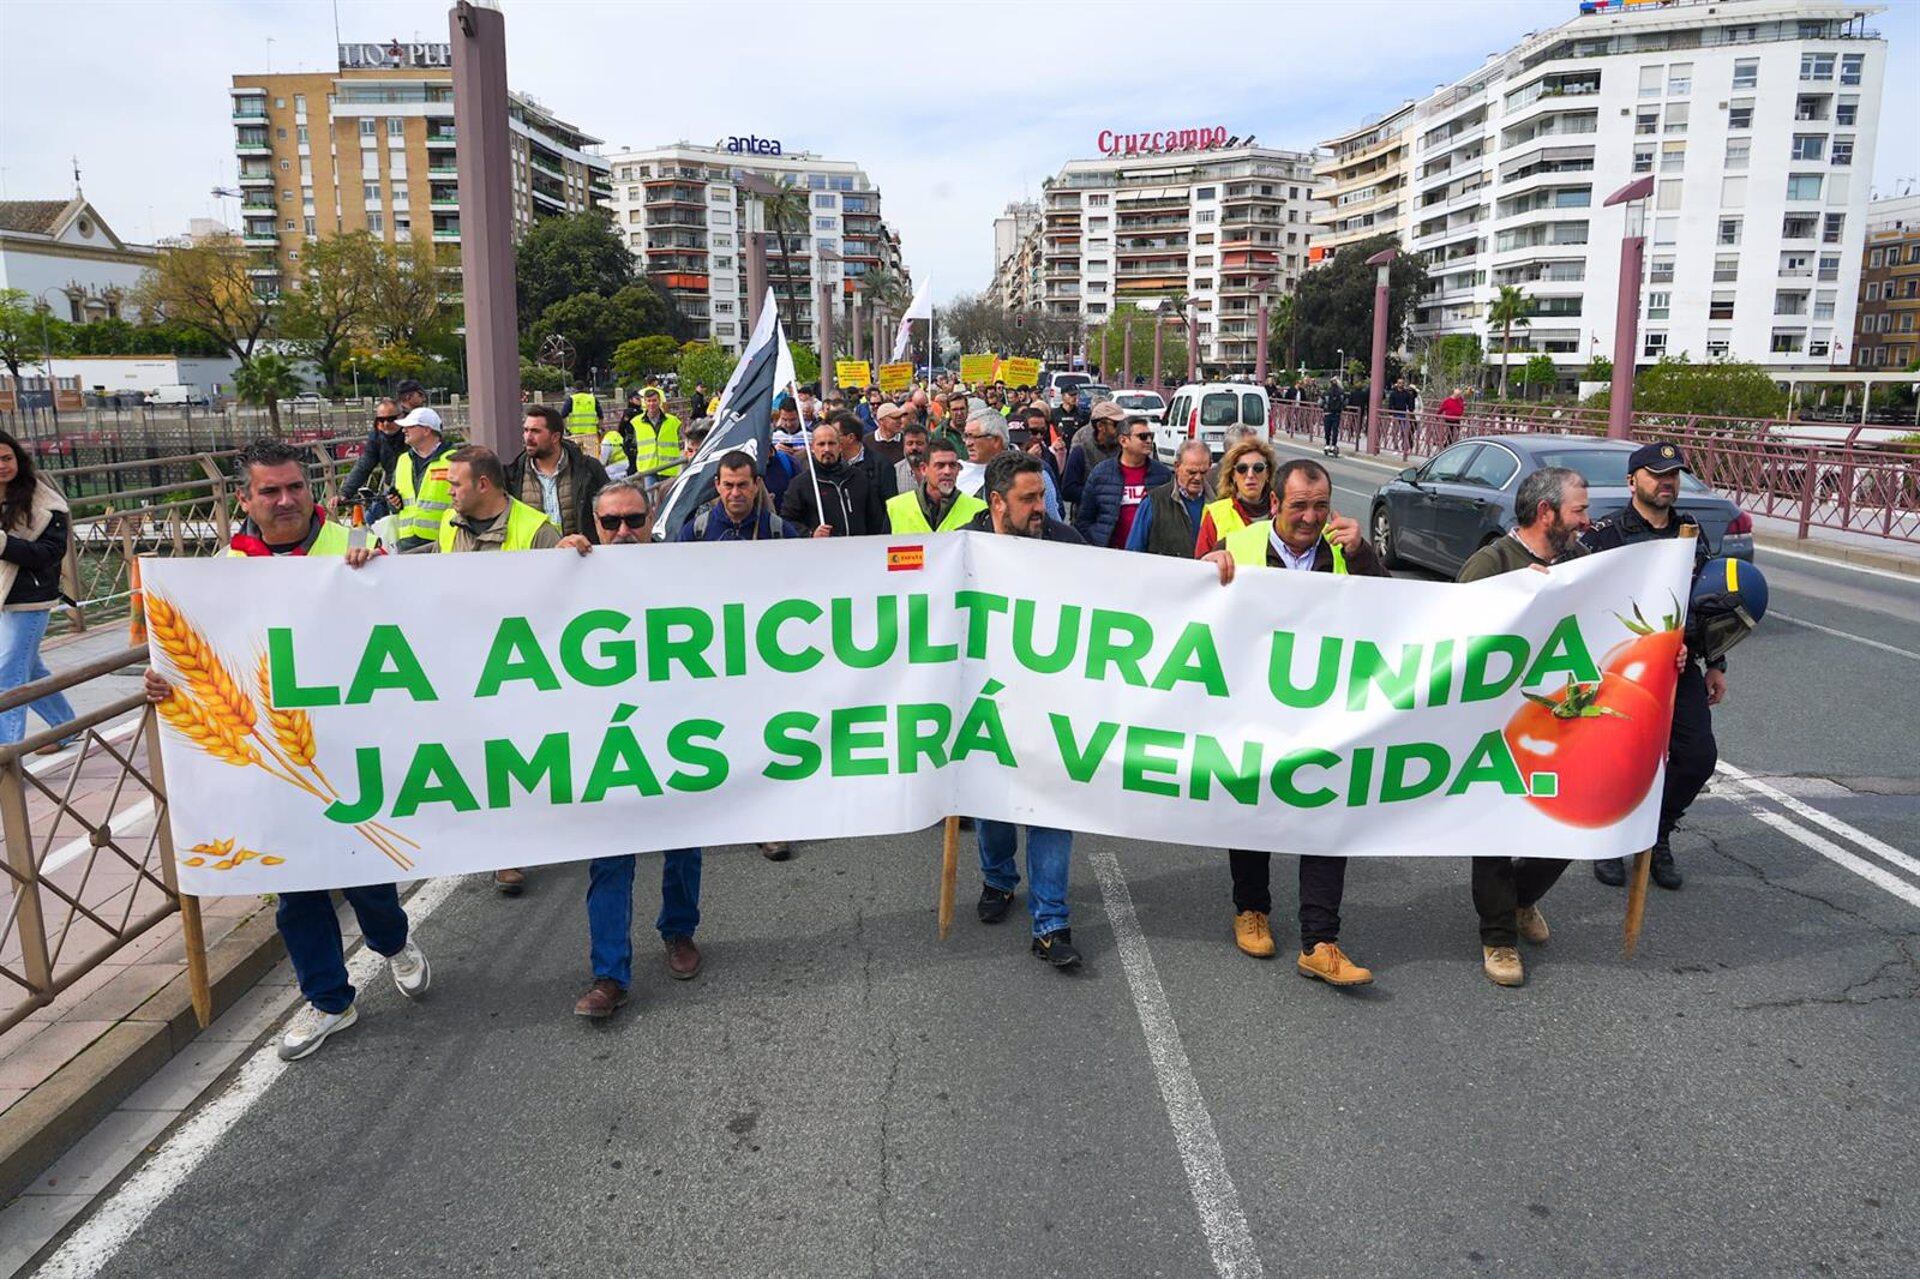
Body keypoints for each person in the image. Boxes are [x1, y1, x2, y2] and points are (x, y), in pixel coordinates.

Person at [141, 440, 427, 1060]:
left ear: (311, 490)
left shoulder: (353, 547)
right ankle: (329, 1000)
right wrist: (166, 680)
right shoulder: (221, 570)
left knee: (365, 876)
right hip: (281, 762)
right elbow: (203, 657)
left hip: (351, 751)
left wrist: (378, 566)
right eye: (269, 491)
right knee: (296, 890)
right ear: (244, 499)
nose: (285, 500)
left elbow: (413, 618)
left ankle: (394, 943)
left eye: (295, 487)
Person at [1200, 459, 1379, 986]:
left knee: (1325, 817)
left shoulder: (1345, 551)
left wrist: (1365, 554)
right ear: (1275, 503)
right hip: (1253, 707)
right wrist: (1208, 567)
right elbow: (1193, 611)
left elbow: (1397, 611)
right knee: (1254, 810)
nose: (1310, 517)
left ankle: (1320, 942)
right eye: (1299, 505)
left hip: (1326, 712)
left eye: (1320, 506)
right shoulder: (1243, 545)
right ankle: (1250, 907)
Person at [553, 479, 704, 1016]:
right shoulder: (568, 571)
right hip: (607, 743)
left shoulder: (681, 570)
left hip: (676, 735)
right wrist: (552, 563)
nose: (623, 533)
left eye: (634, 521)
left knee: (684, 846)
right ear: (594, 525)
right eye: (610, 523)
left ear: (652, 519)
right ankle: (609, 975)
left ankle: (679, 931)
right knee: (610, 861)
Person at [1457, 466, 1592, 987]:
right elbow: (1448, 633)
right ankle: (1498, 938)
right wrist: (1513, 598)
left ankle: (1521, 898)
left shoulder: (1581, 563)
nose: (1587, 520)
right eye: (1578, 510)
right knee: (1495, 825)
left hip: (1562, 722)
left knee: (1571, 819)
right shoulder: (1491, 564)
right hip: (1497, 723)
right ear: (1546, 513)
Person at [1580, 441, 1723, 893]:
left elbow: (1705, 601)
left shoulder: (1689, 532)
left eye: (1674, 474)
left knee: (1698, 756)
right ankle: (1610, 840)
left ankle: (1655, 833)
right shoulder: (1603, 536)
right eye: (1657, 474)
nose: (1667, 482)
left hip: (1679, 666)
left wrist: (1715, 661)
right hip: (1618, 669)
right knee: (1620, 759)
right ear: (1632, 481)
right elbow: (1581, 604)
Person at [964, 451, 1087, 968]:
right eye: (1029, 499)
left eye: (1044, 496)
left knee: (1050, 808)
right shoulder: (962, 549)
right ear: (997, 502)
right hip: (987, 700)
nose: (1042, 508)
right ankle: (998, 878)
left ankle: (1051, 922)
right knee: (993, 804)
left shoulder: (1068, 544)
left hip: (1052, 704)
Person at [440, 445, 561, 895]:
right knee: (485, 756)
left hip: (524, 666)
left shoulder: (536, 531)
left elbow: (568, 597)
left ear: (484, 485)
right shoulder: (449, 526)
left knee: (519, 754)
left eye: (456, 483)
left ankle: (527, 835)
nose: (449, 491)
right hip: (470, 663)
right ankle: (505, 849)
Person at [0, 429, 78, 751]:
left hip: (29, 601)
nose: (1, 465)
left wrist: (3, 544)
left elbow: (48, 554)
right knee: (28, 669)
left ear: (18, 459)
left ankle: (7, 758)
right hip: (2, 600)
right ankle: (65, 726)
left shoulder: (45, 503)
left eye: (6, 458)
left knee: (8, 676)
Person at [504, 404, 609, 541]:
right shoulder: (513, 475)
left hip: (581, 556)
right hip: (535, 558)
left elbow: (610, 511)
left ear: (555, 437)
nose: (528, 437)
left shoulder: (589, 469)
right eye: (526, 430)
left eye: (535, 431)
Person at [1075, 414, 1171, 548]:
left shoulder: (1162, 475)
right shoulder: (1101, 474)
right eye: (1142, 436)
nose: (1149, 440)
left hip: (1150, 554)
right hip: (1111, 554)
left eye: (1151, 436)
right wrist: (1096, 541)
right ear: (1123, 441)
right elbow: (1084, 519)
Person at [779, 420, 886, 537]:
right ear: (812, 448)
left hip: (858, 550)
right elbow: (787, 521)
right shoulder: (801, 484)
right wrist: (810, 534)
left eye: (831, 443)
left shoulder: (858, 478)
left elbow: (876, 520)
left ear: (840, 446)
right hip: (820, 551)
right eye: (821, 444)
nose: (827, 449)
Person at [676, 450, 802, 541]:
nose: (735, 493)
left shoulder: (779, 531)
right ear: (717, 485)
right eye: (728, 485)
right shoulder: (695, 532)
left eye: (742, 485)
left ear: (756, 484)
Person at [961, 414, 1061, 520]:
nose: (968, 443)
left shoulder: (1035, 473)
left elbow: (1053, 523)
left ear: (996, 440)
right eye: (966, 436)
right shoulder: (958, 471)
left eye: (973, 437)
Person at [1194, 436, 1280, 557]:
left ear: (1268, 474)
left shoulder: (1283, 511)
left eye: (1258, 468)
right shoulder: (1216, 514)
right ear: (1233, 475)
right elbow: (1201, 564)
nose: (1250, 475)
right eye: (1242, 469)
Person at [390, 394, 454, 553]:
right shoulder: (403, 460)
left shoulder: (453, 460)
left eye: (410, 426)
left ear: (426, 430)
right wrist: (392, 502)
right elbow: (394, 500)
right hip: (407, 541)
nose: (404, 430)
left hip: (441, 540)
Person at [1125, 440, 1211, 556]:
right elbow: (1133, 552)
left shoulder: (1221, 503)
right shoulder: (1154, 503)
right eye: (1191, 472)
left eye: (1203, 472)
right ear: (1177, 466)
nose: (1198, 478)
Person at [886, 438, 984, 534]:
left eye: (953, 465)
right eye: (940, 465)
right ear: (924, 469)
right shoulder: (894, 508)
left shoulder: (979, 510)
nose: (947, 471)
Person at [337, 397, 407, 522]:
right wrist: (345, 493)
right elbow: (364, 465)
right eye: (381, 420)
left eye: (391, 419)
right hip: (391, 488)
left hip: (410, 488)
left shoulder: (412, 432)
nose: (386, 424)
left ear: (402, 416)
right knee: (370, 521)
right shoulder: (377, 436)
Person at [605, 385, 682, 487]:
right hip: (648, 469)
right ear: (644, 402)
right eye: (648, 401)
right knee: (650, 499)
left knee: (668, 499)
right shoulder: (636, 422)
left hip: (668, 468)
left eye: (654, 400)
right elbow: (629, 442)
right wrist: (633, 463)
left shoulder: (673, 421)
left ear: (659, 401)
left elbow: (681, 441)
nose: (651, 404)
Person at [1061, 400, 1123, 507]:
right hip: (1089, 519)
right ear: (1100, 426)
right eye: (1117, 424)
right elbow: (1068, 491)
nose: (1122, 429)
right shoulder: (1081, 450)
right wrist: (1102, 494)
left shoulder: (1126, 448)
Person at [836, 409, 897, 500]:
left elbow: (890, 501)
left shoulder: (881, 465)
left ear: (851, 437)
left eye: (836, 435)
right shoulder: (834, 465)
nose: (832, 440)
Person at [764, 395, 806, 508]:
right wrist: (776, 451)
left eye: (792, 420)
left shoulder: (812, 436)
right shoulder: (773, 435)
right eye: (784, 419)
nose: (788, 424)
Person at [867, 399, 907, 466]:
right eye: (895, 418)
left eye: (900, 417)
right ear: (881, 421)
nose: (899, 421)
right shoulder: (867, 441)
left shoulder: (906, 441)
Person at [894, 419, 929, 495]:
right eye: (910, 443)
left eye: (919, 443)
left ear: (928, 445)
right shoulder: (894, 472)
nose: (914, 448)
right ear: (904, 446)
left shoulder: (936, 469)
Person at [564, 383, 602, 451]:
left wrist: (566, 429)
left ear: (575, 389)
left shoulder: (571, 399)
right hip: (591, 434)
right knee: (592, 455)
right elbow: (601, 416)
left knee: (577, 456)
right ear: (584, 388)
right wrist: (598, 428)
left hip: (576, 434)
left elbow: (562, 415)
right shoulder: (592, 398)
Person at [1386, 379, 1418, 449]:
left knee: (1404, 431)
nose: (1401, 384)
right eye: (1400, 383)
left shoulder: (1406, 394)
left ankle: (1404, 445)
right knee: (1395, 430)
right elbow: (1390, 404)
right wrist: (1390, 414)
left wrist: (1410, 411)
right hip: (1396, 414)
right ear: (1397, 384)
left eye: (1402, 383)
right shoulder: (1393, 393)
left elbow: (1410, 404)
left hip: (1404, 414)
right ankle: (1395, 445)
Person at [1320, 378, 1346, 457]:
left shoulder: (1326, 392)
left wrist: (1324, 407)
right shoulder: (1341, 392)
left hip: (1328, 413)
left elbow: (1320, 403)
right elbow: (1345, 402)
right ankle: (1334, 445)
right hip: (1337, 413)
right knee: (1335, 430)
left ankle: (1327, 444)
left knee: (1327, 429)